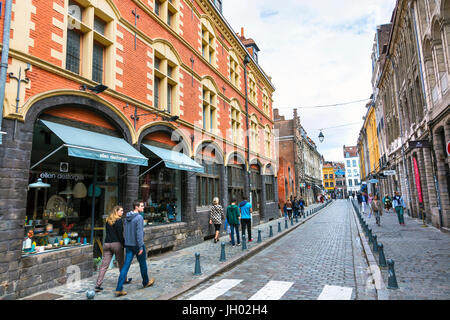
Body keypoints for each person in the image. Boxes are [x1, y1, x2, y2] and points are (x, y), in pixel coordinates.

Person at [115, 200, 154, 297]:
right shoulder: (139, 217)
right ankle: (145, 282)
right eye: (141, 206)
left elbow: (126, 232)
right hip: (137, 245)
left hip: (128, 245)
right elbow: (139, 233)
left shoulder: (126, 217)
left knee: (125, 266)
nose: (143, 207)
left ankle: (119, 288)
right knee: (143, 264)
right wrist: (140, 246)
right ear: (136, 207)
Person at [95, 206, 129, 292]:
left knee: (103, 266)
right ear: (116, 211)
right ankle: (124, 280)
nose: (122, 212)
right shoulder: (119, 221)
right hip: (116, 244)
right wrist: (123, 244)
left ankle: (98, 284)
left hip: (107, 244)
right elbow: (120, 234)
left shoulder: (108, 221)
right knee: (121, 264)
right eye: (121, 211)